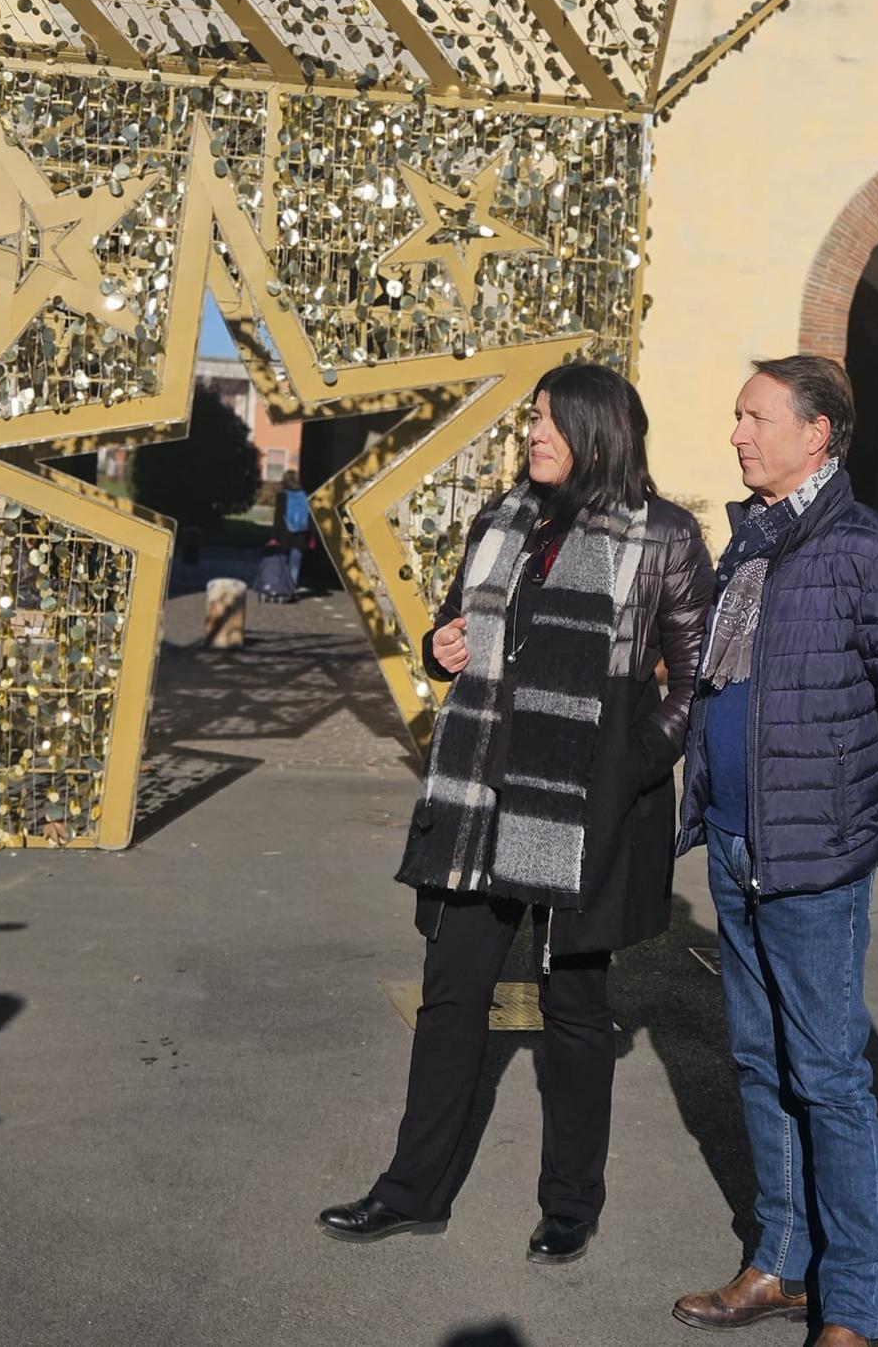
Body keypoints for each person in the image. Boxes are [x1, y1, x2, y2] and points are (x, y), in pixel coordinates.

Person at [318, 363, 714, 1263]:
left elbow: (693, 685)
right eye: (531, 420)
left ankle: (570, 1203)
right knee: (452, 996)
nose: (531, 435)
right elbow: (460, 627)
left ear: (596, 430)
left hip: (585, 808)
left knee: (575, 1008)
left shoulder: (664, 537)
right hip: (482, 800)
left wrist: (629, 763)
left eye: (547, 422)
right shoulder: (504, 519)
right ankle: (411, 1190)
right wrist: (438, 644)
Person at [673, 356, 878, 1347]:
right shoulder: (748, 543)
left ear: (815, 431)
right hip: (736, 844)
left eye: (752, 417)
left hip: (810, 859)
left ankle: (853, 1305)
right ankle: (778, 1262)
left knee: (828, 1075)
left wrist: (863, 834)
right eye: (736, 414)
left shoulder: (867, 555)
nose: (736, 433)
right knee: (756, 1057)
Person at [273, 469, 311, 588]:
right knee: (295, 564)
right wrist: (312, 536)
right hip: (301, 534)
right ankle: (292, 589)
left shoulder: (282, 495)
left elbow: (278, 516)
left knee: (283, 562)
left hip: (285, 533)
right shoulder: (306, 495)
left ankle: (282, 588)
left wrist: (274, 536)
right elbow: (310, 517)